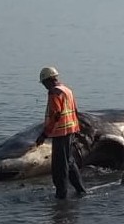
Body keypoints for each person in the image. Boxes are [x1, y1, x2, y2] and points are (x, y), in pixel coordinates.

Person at [36, 66, 87, 200]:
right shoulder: (67, 90)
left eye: (44, 83)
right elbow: (75, 111)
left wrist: (44, 134)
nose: (45, 87)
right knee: (69, 161)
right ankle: (81, 190)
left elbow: (56, 115)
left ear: (49, 80)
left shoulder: (54, 93)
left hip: (60, 133)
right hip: (71, 130)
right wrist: (77, 129)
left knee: (60, 166)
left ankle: (61, 195)